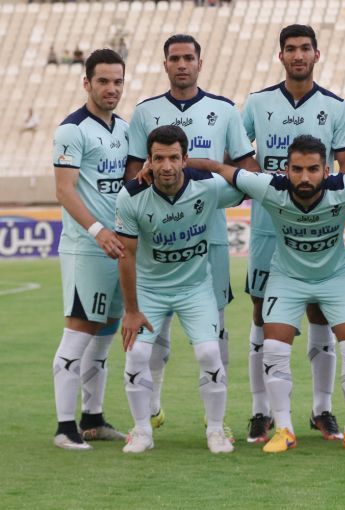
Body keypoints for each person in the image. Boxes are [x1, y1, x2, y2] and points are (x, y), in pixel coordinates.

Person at [210, 134, 345, 453]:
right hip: (287, 278)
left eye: (313, 169)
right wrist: (181, 165)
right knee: (273, 347)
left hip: (335, 277)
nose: (304, 177)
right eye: (297, 169)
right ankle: (283, 430)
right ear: (285, 170)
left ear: (326, 170)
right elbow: (219, 167)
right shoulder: (269, 186)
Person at [126, 34, 257, 433]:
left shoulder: (224, 110)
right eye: (174, 58)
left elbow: (246, 171)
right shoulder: (145, 112)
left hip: (208, 235)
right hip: (157, 238)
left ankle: (215, 417)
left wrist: (210, 175)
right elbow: (132, 175)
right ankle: (151, 405)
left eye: (188, 58)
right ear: (165, 64)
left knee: (214, 328)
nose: (182, 64)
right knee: (156, 325)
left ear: (200, 62)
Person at [240, 24, 345, 443]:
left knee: (320, 311)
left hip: (317, 230)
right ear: (281, 56)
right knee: (261, 314)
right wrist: (272, 190)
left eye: (305, 48)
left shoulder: (336, 108)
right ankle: (261, 412)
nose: (298, 55)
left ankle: (322, 409)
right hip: (267, 228)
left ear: (316, 54)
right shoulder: (257, 103)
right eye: (290, 49)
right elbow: (237, 154)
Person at [116, 125, 243, 454]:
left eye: (174, 158)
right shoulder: (131, 196)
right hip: (150, 289)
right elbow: (126, 255)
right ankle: (142, 431)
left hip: (195, 287)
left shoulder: (208, 185)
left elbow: (248, 182)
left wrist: (210, 164)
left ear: (186, 159)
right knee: (137, 354)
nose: (167, 166)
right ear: (149, 161)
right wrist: (131, 311)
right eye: (159, 159)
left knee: (209, 353)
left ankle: (215, 430)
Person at [51, 49, 128, 450]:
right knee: (78, 333)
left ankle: (93, 419)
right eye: (103, 81)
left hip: (118, 249)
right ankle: (65, 428)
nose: (111, 88)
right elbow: (64, 191)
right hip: (87, 247)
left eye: (117, 81)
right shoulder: (72, 130)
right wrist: (98, 231)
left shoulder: (125, 129)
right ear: (87, 83)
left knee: (104, 335)